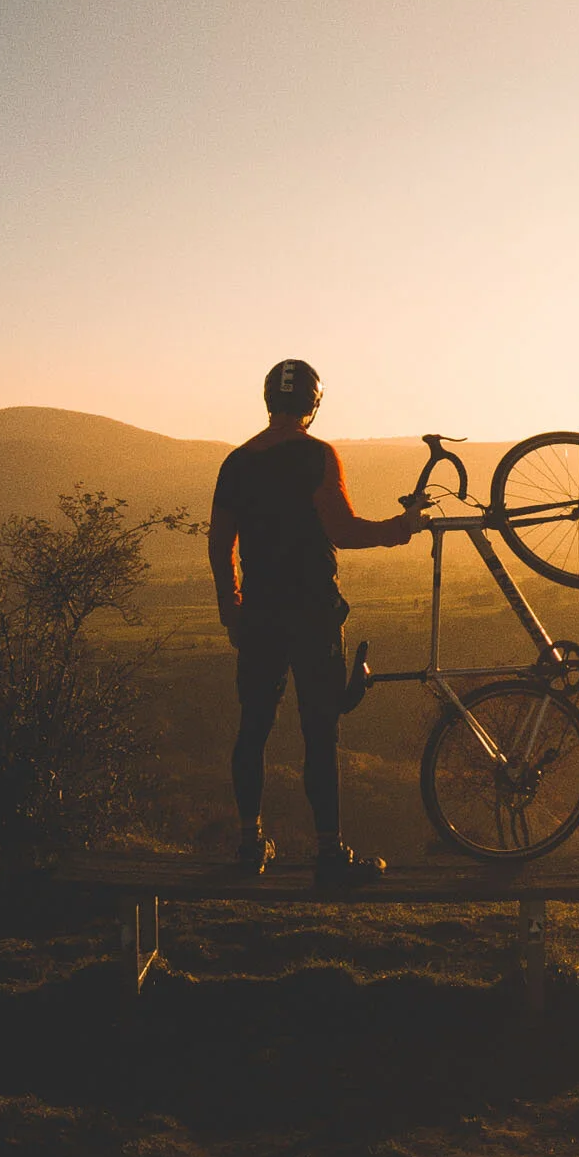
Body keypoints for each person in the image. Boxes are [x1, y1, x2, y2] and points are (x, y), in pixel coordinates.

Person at [208, 358, 421, 888]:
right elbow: (343, 531)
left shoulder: (237, 462)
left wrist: (232, 610)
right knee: (319, 733)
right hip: (313, 612)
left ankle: (250, 843)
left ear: (268, 401)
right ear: (313, 404)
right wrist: (401, 527)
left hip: (260, 612)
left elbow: (220, 544)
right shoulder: (317, 455)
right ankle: (329, 852)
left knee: (253, 728)